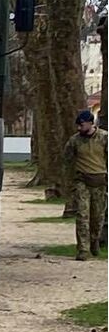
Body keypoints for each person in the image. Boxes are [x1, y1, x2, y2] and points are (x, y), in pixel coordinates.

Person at [63, 110, 108, 260]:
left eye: (81, 125)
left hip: (100, 182)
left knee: (98, 217)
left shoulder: (104, 138)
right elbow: (67, 160)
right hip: (82, 181)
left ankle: (94, 241)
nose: (79, 128)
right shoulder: (74, 141)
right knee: (82, 215)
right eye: (78, 125)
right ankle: (83, 249)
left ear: (90, 123)